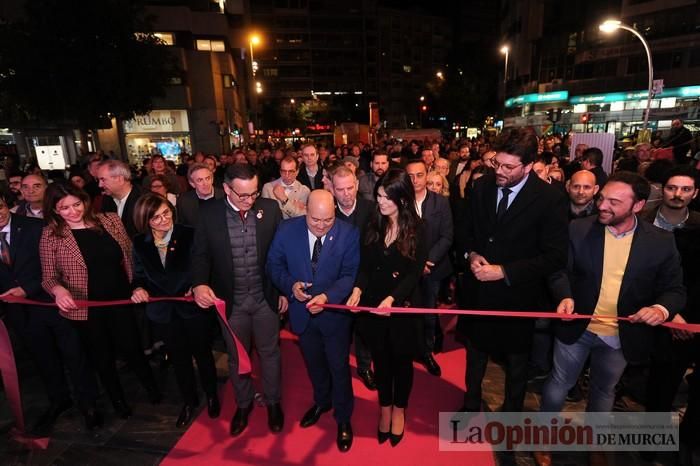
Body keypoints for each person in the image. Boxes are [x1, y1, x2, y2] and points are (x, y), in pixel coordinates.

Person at [538, 172, 685, 466]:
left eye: (614, 202)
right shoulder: (578, 229)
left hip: (621, 334)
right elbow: (558, 272)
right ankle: (542, 439)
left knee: (604, 392)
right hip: (577, 326)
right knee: (558, 384)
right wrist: (564, 295)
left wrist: (661, 309)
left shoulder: (660, 241)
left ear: (638, 205)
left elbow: (674, 289)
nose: (602, 205)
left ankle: (596, 443)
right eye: (602, 197)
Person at [454, 128, 568, 421]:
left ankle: (512, 416)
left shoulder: (549, 198)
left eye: (508, 167)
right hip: (479, 292)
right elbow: (465, 232)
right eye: (496, 163)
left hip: (519, 296)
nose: (500, 171)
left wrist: (504, 272)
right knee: (475, 355)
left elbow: (555, 256)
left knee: (517, 365)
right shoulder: (481, 187)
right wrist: (472, 255)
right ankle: (471, 404)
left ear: (528, 165)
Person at [40, 183, 161, 421]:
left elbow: (130, 256)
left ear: (85, 201)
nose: (73, 211)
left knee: (133, 348)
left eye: (77, 204)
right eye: (64, 208)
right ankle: (118, 400)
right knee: (101, 356)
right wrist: (59, 290)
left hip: (120, 299)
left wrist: (137, 285)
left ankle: (152, 388)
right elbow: (48, 277)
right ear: (54, 210)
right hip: (85, 307)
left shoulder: (110, 220)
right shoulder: (51, 234)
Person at [192, 164, 285, 437]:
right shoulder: (209, 214)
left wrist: (282, 291)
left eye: (253, 193)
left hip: (265, 297)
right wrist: (199, 283)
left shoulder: (269, 209)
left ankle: (273, 402)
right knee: (236, 357)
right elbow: (200, 255)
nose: (249, 200)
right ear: (227, 189)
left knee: (270, 354)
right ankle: (243, 404)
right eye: (243, 195)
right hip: (231, 302)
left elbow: (280, 256)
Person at [0, 189, 101, 434]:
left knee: (74, 354)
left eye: (0, 207)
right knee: (43, 358)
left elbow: (53, 266)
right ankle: (59, 399)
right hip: (18, 313)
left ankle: (88, 404)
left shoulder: (38, 227)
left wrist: (28, 288)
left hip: (53, 303)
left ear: (7, 204)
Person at [267, 189, 360, 452]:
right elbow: (274, 265)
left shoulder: (349, 233)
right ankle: (322, 401)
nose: (320, 226)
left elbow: (349, 274)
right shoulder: (287, 230)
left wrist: (328, 296)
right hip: (301, 314)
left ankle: (343, 417)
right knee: (314, 364)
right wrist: (290, 286)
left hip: (333, 316)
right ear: (305, 211)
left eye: (327, 220)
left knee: (339, 368)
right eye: (315, 220)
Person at [346, 168, 427, 447]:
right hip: (373, 306)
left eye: (386, 197)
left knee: (402, 362)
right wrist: (357, 288)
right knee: (381, 362)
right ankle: (384, 408)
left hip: (401, 306)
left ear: (402, 199)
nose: (380, 202)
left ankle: (399, 410)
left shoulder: (417, 228)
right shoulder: (373, 222)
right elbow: (366, 266)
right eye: (378, 195)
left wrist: (392, 299)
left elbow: (413, 274)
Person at [130, 193, 219, 428]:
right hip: (163, 312)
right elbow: (138, 276)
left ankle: (212, 395)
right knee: (178, 360)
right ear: (145, 220)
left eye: (166, 213)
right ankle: (189, 401)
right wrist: (138, 288)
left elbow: (205, 267)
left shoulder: (189, 234)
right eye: (155, 218)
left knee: (203, 354)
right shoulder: (139, 243)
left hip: (192, 307)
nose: (163, 220)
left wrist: (197, 285)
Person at [640, 166, 700, 461]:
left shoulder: (699, 226)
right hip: (649, 309)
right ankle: (651, 445)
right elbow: (636, 275)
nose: (678, 195)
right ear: (661, 190)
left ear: (695, 193)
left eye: (685, 189)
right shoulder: (642, 222)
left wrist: (683, 315)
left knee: (670, 381)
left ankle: (685, 443)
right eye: (672, 188)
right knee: (656, 388)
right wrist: (668, 310)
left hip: (690, 318)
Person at [405, 160, 453, 376]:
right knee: (406, 312)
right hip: (406, 268)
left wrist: (427, 262)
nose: (415, 180)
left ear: (427, 176)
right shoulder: (400, 202)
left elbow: (447, 236)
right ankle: (409, 349)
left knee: (428, 312)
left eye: (419, 175)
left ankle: (426, 351)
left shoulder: (440, 203)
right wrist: (414, 264)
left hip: (433, 269)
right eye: (411, 175)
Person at [330, 166, 376, 391]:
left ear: (357, 186)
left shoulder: (372, 209)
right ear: (332, 189)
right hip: (336, 282)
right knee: (339, 329)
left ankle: (365, 367)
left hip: (366, 278)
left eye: (350, 188)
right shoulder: (326, 211)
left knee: (365, 329)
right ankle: (338, 369)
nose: (346, 194)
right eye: (340, 190)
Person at [98, 160, 142, 238]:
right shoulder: (107, 199)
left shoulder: (144, 200)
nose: (100, 185)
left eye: (103, 180)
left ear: (120, 179)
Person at [176, 163, 225, 227]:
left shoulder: (225, 196)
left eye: (207, 178)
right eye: (200, 180)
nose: (205, 183)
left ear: (212, 179)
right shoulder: (183, 201)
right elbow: (183, 228)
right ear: (192, 184)